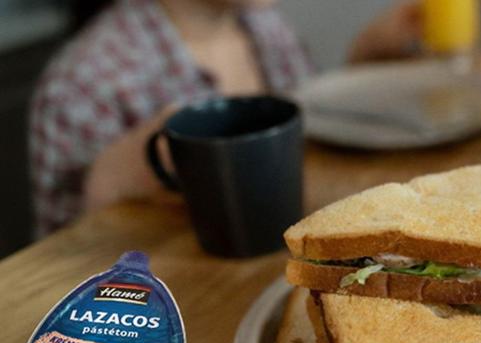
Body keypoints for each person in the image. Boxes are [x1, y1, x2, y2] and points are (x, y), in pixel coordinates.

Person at [28, 0, 420, 236]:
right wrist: (110, 182)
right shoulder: (82, 83)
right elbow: (59, 272)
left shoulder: (265, 26)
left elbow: (305, 143)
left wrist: (363, 61)